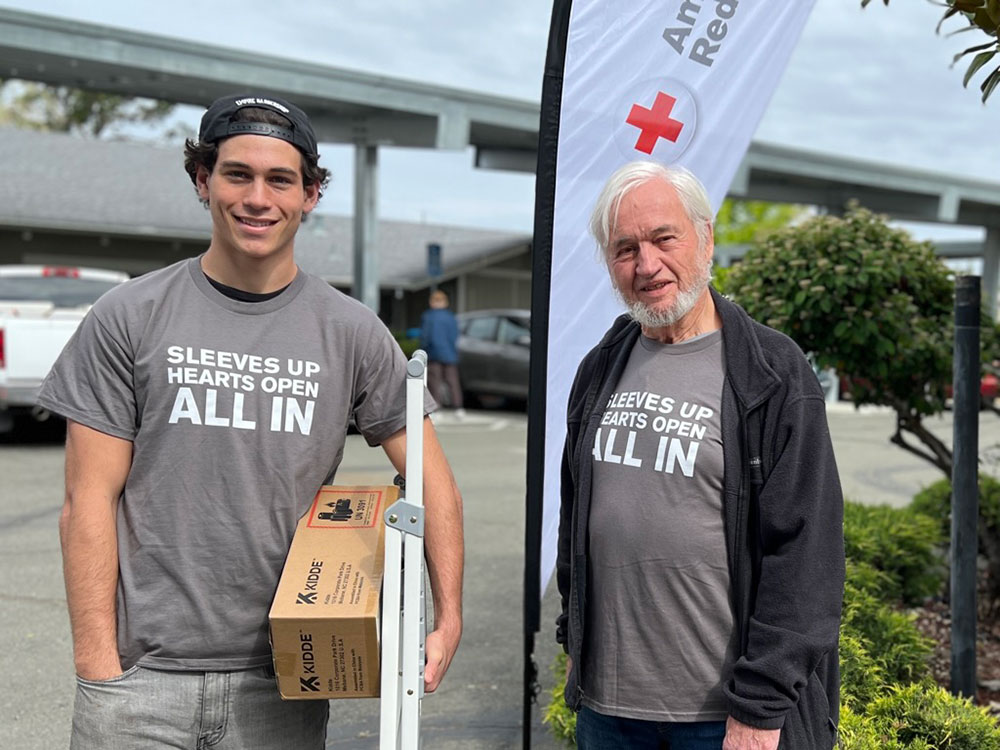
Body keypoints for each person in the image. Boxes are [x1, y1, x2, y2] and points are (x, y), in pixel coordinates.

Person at [38, 93, 464, 750]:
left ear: (310, 195)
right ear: (204, 180)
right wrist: (100, 666)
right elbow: (86, 500)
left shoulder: (349, 331)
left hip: (284, 682)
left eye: (280, 179)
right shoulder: (129, 316)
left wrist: (449, 614)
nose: (257, 197)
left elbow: (432, 482)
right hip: (140, 686)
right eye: (237, 174)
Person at [555, 161, 844, 750]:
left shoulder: (771, 372)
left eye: (665, 238)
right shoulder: (599, 369)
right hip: (608, 715)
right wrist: (573, 637)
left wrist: (761, 707)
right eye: (625, 249)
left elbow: (807, 553)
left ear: (706, 237)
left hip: (724, 718)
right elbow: (577, 520)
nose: (647, 265)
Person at [420, 289, 464, 416]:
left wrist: (423, 350)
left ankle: (436, 407)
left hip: (433, 354)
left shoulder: (428, 316)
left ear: (432, 302)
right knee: (452, 381)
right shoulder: (451, 317)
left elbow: (425, 336)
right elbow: (455, 336)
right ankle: (458, 407)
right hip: (450, 353)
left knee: (434, 382)